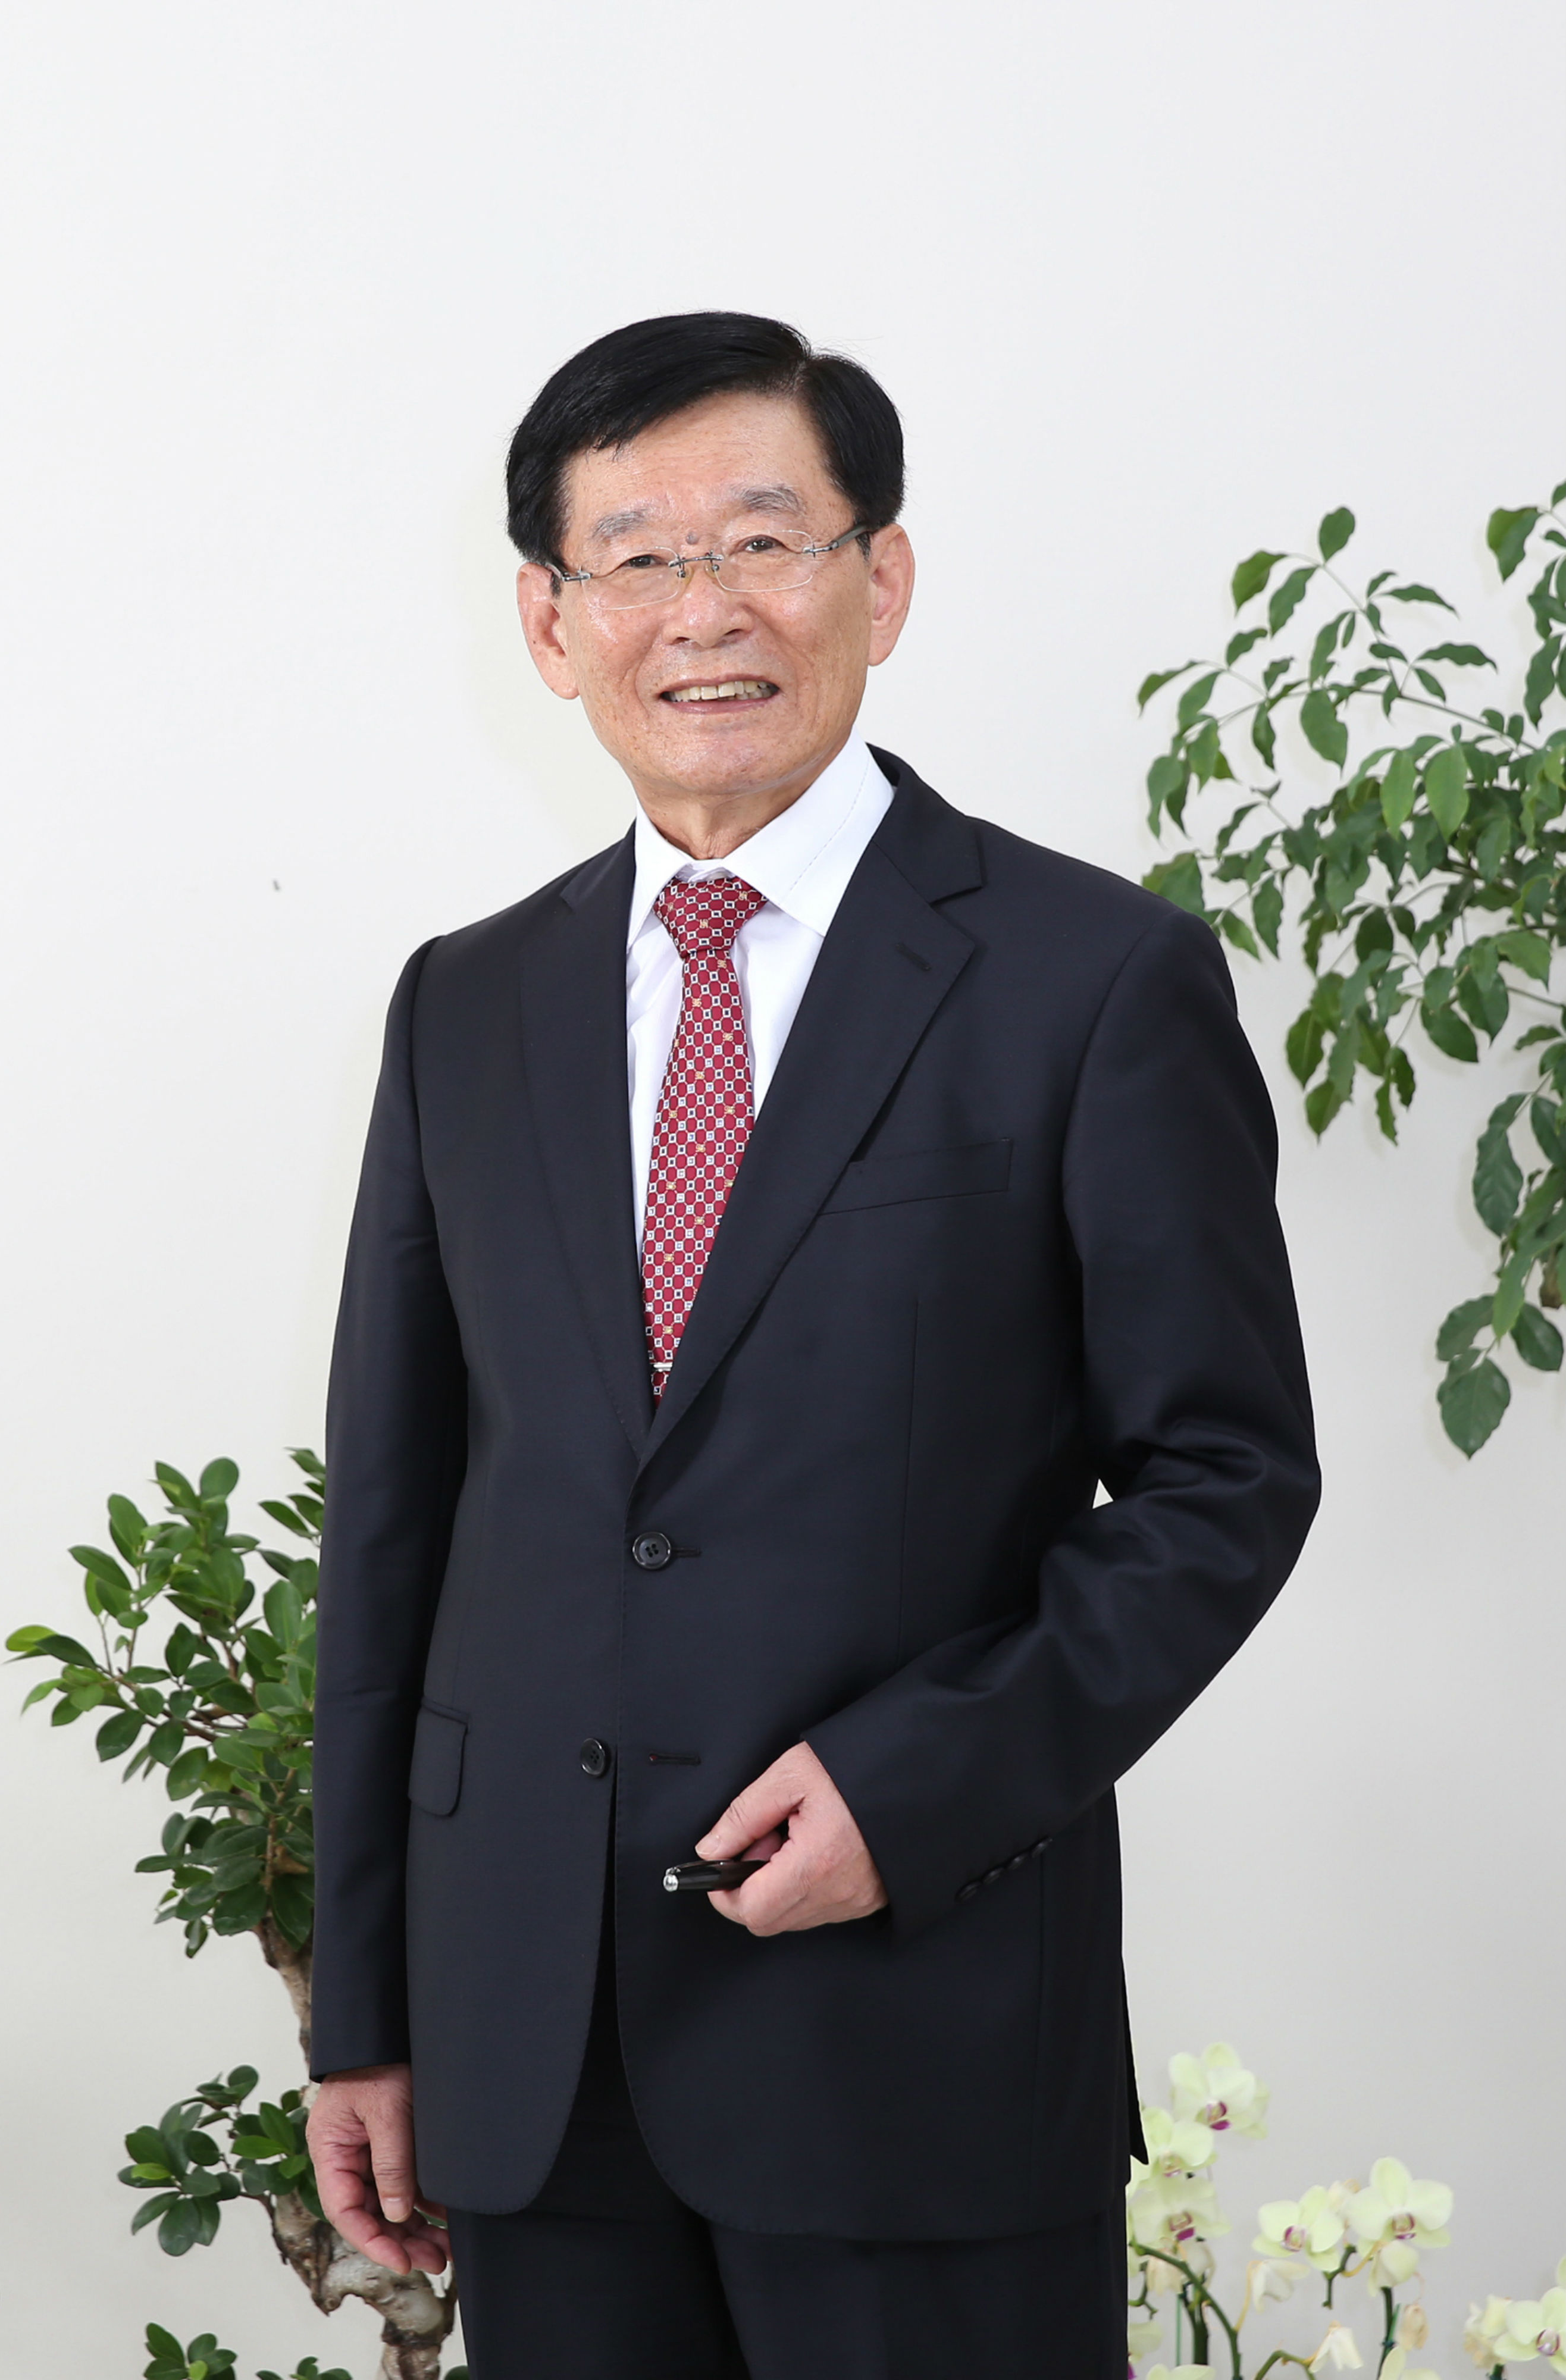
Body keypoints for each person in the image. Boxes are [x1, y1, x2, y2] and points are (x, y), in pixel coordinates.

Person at [305, 311, 1320, 2379]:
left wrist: (916, 1783)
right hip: (531, 2048)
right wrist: (370, 2009)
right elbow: (398, 1523)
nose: (705, 611)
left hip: (915, 2026)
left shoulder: (1093, 979)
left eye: (764, 541)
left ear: (883, 577)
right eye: (636, 557)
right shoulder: (463, 1004)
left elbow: (1222, 1479)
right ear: (550, 621)